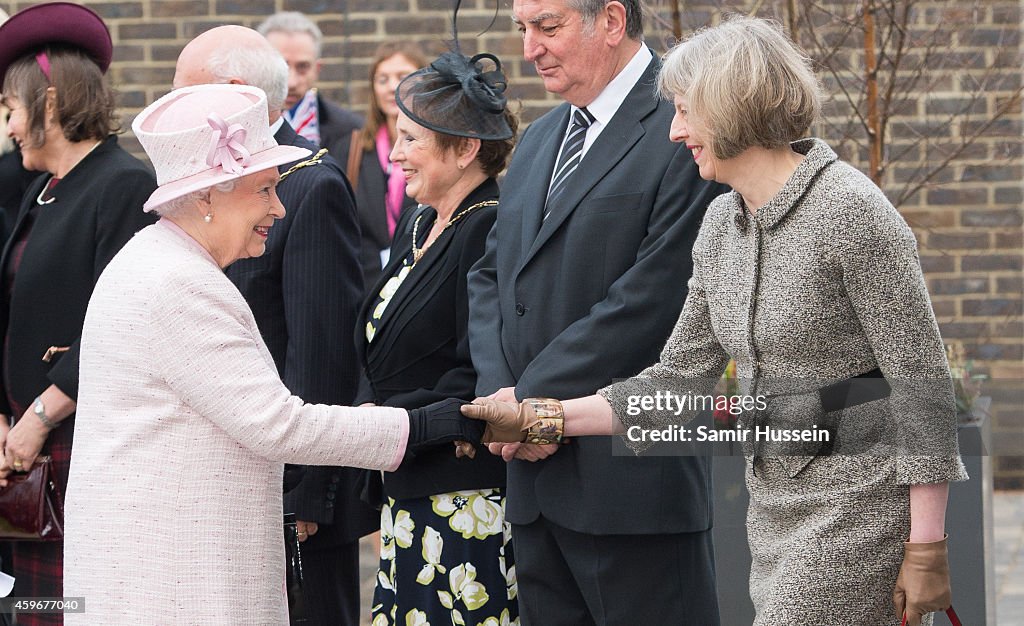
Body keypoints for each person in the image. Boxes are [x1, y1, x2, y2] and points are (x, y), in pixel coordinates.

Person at [464, 16, 967, 626]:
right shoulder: (722, 224)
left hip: (860, 509)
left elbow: (922, 385)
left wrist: (928, 546)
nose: (675, 133)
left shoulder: (853, 212)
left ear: (733, 107)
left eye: (685, 111)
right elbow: (678, 380)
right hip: (773, 509)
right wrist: (541, 416)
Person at [62, 83, 497, 624]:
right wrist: (422, 425)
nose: (279, 207)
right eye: (265, 189)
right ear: (207, 197)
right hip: (176, 576)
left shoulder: (159, 260)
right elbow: (277, 424)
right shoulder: (179, 284)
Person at [466, 1, 727, 624]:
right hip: (532, 492)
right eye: (523, 30)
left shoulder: (686, 130)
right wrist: (499, 398)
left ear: (611, 20)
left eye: (548, 28)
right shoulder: (538, 141)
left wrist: (526, 406)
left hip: (633, 492)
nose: (530, 48)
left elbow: (656, 299)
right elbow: (490, 277)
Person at [173, 25, 374, 626]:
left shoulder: (312, 184)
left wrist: (307, 489)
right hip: (228, 466)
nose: (170, 105)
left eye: (184, 92)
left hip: (293, 486)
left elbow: (323, 347)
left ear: (236, 96)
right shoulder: (211, 187)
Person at [0, 5, 157, 621]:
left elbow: (126, 327)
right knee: (31, 609)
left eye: (11, 109)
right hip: (25, 449)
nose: (8, 128)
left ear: (49, 103)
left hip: (82, 444)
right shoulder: (40, 189)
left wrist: (39, 415)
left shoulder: (120, 183)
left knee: (72, 607)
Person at [356, 47, 519, 626]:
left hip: (463, 497)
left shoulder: (490, 225)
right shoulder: (422, 219)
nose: (394, 154)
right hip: (408, 484)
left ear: (467, 148)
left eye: (411, 140)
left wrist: (384, 425)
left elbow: (480, 364)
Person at [335, 43, 425, 289]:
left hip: (420, 278)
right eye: (382, 79)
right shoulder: (352, 149)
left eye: (403, 77)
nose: (392, 87)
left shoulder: (436, 150)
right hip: (367, 284)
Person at [257, 11, 363, 151]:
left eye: (303, 67)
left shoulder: (351, 130)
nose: (291, 83)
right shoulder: (233, 129)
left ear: (317, 69)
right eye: (281, 67)